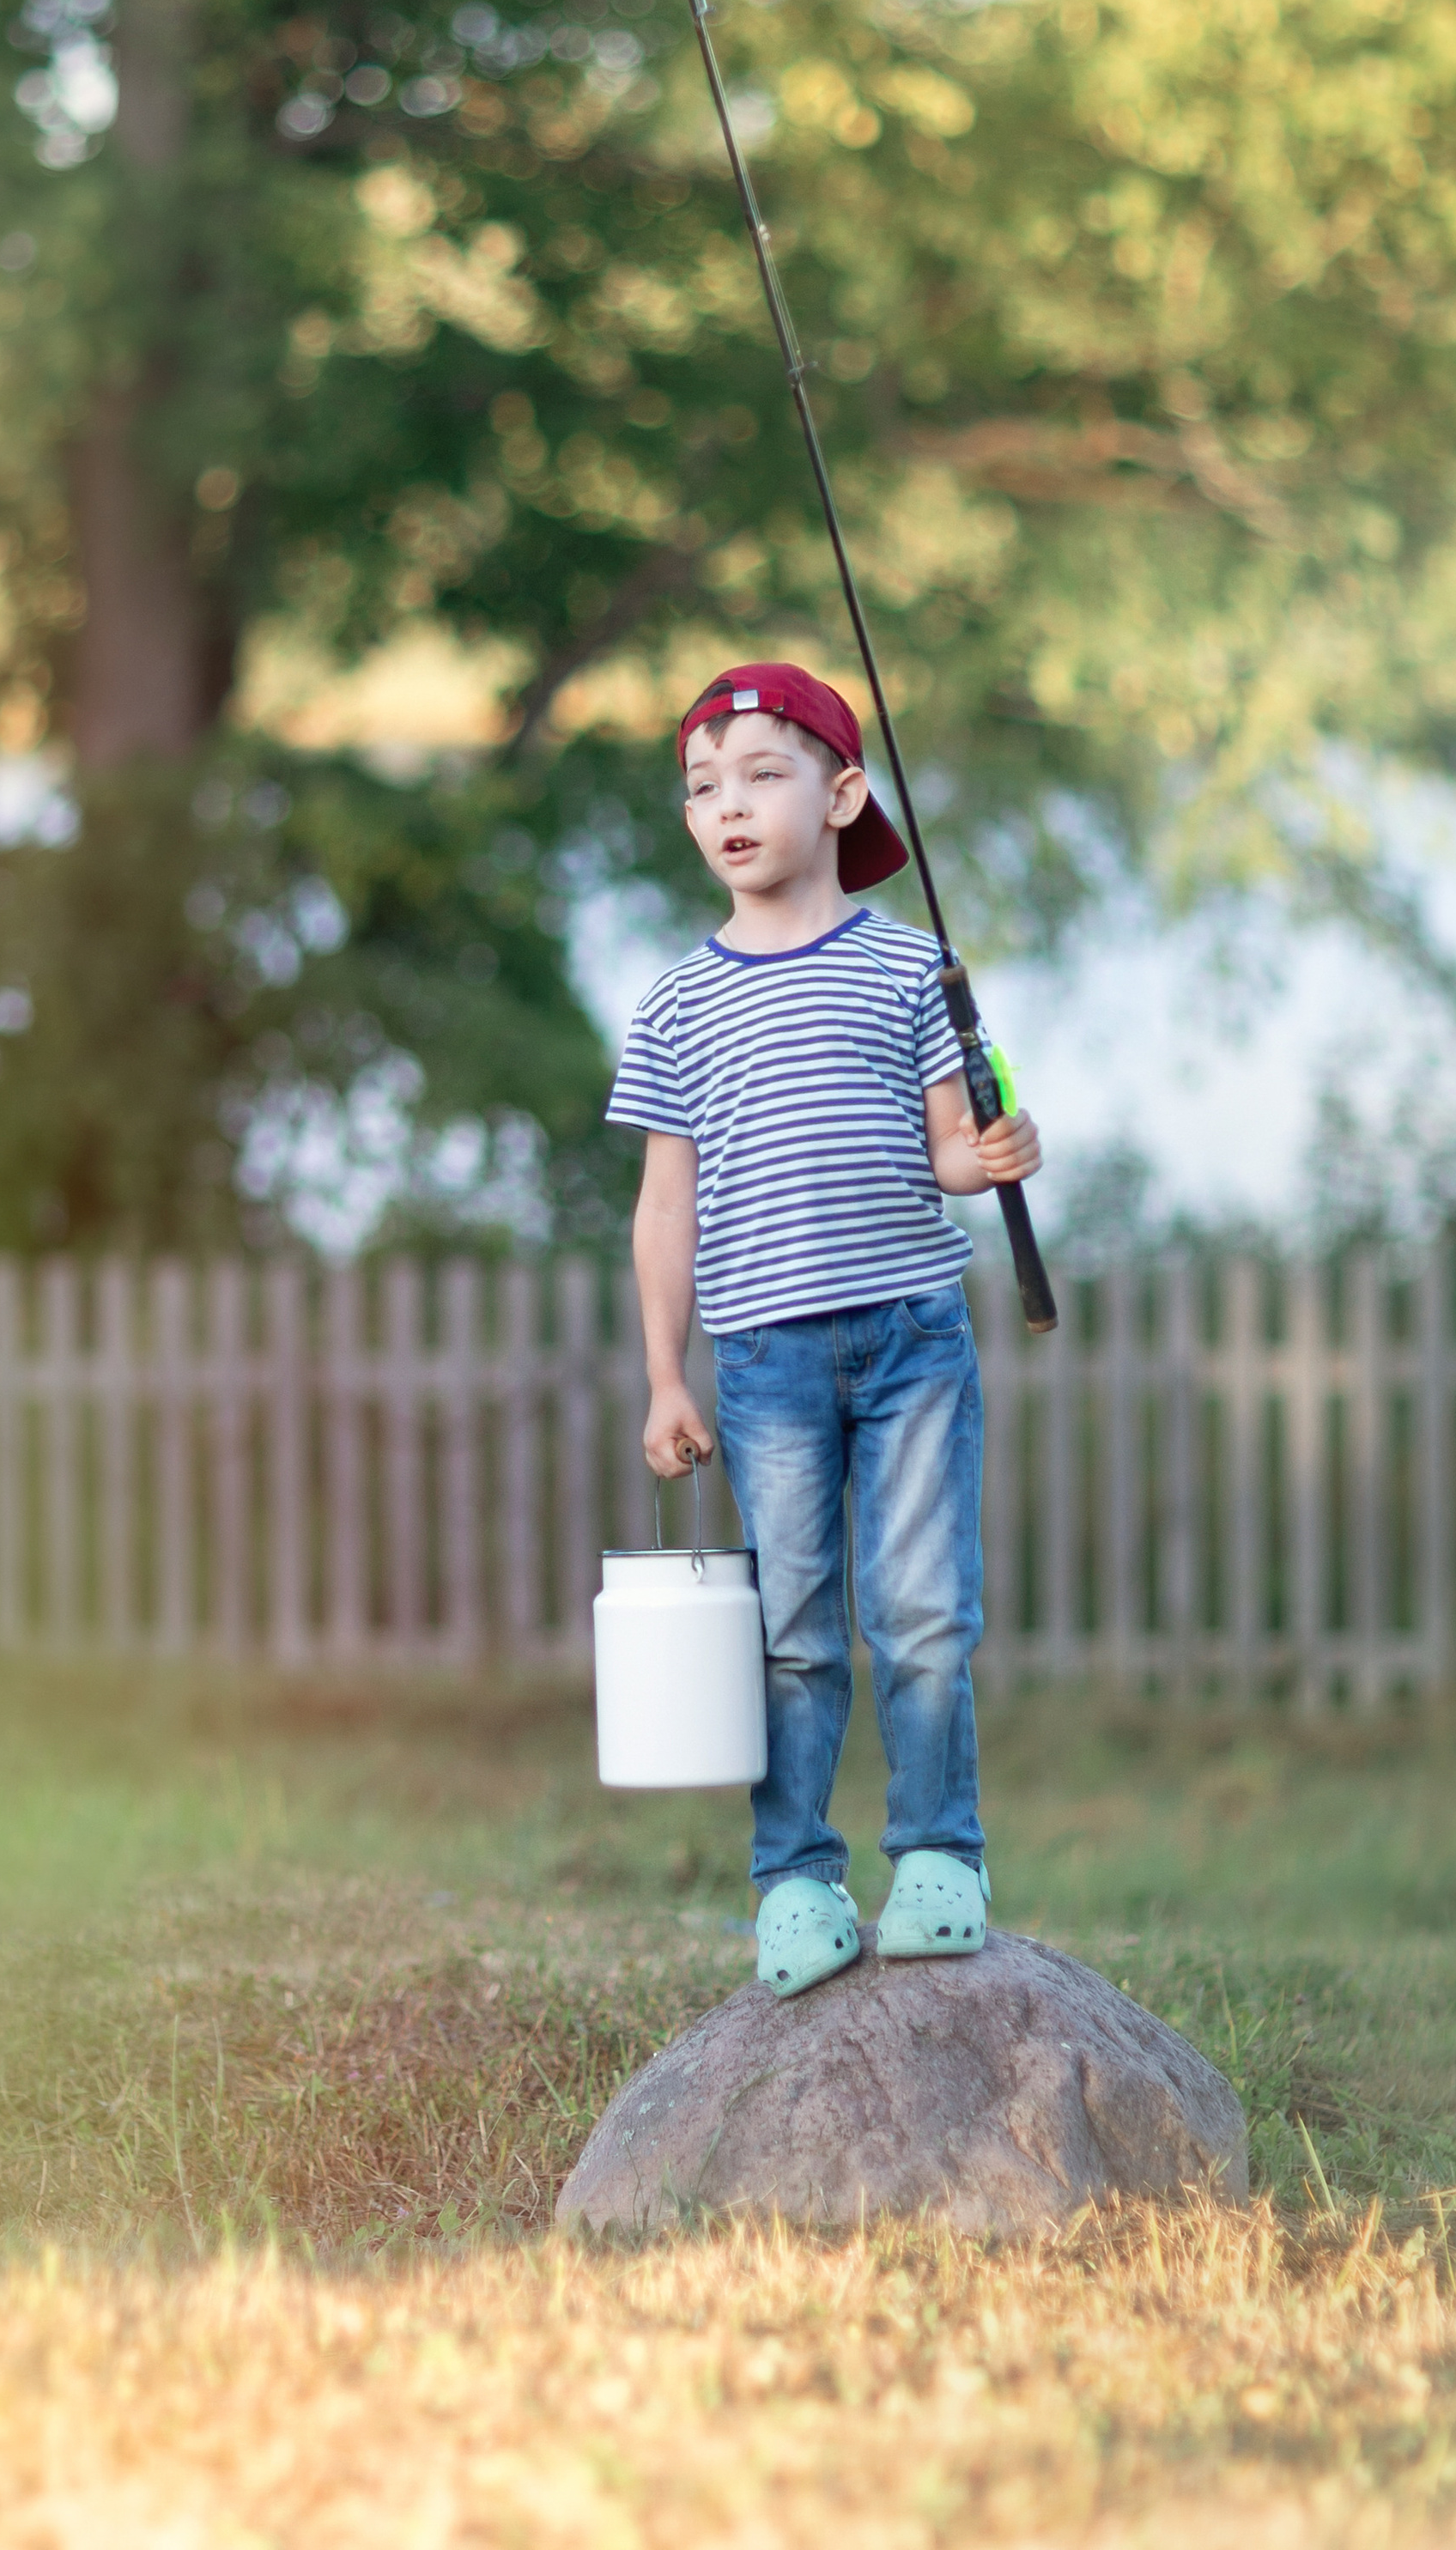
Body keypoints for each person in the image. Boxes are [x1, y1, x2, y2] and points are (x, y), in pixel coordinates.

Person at [606, 661, 1042, 1997]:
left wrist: (999, 1148)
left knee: (922, 1611)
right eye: (701, 786)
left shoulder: (909, 966)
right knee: (791, 1627)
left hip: (912, 1336)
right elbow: (665, 1203)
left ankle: (939, 1860)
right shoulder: (679, 1002)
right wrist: (665, 1377)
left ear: (843, 792)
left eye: (761, 775)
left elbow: (948, 1162)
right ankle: (794, 1880)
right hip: (766, 1359)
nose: (726, 806)